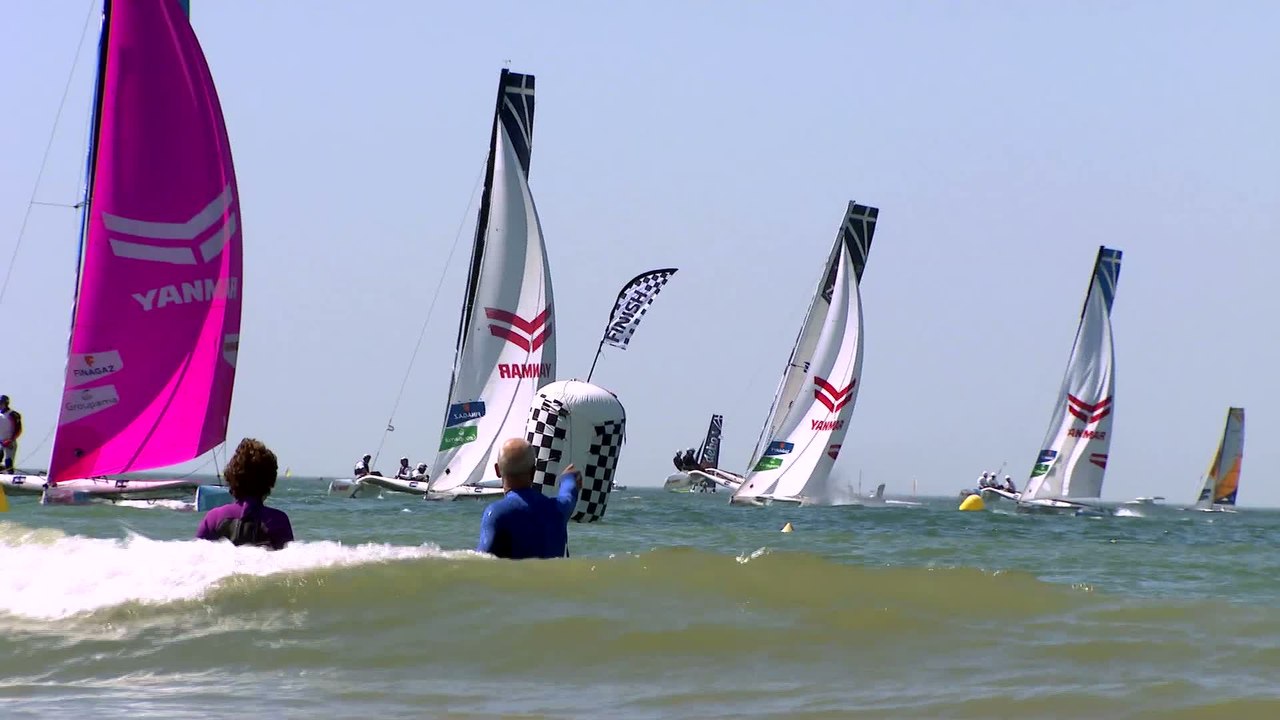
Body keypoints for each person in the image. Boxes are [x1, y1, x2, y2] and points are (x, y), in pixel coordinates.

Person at [476, 438, 578, 560]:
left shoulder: (496, 513)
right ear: (533, 471)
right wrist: (569, 477)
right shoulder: (558, 509)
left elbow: (481, 559)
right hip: (553, 578)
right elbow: (569, 494)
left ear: (497, 470)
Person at [196, 438, 294, 550]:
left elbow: (197, 559)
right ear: (270, 481)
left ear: (232, 478)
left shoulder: (213, 518)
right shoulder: (278, 520)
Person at [0, 395, 22, 473]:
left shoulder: (13, 414)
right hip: (1, 442)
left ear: (6, 403)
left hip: (10, 442)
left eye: (1, 403)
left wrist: (10, 440)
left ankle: (10, 476)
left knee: (8, 461)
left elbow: (18, 430)